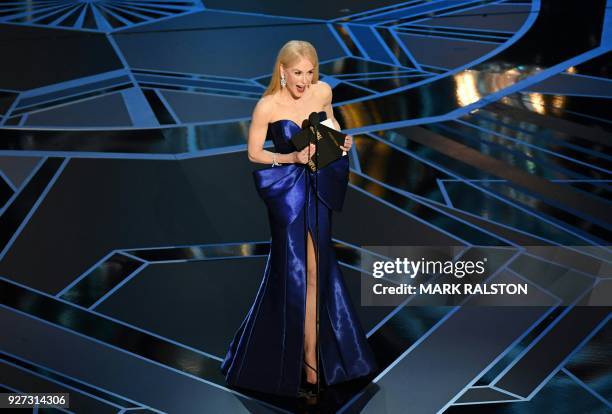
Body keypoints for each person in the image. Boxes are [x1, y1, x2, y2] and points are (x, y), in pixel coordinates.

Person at [220, 40, 378, 398]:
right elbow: (255, 152)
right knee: (294, 270)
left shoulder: (323, 90)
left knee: (317, 269)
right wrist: (290, 158)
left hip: (320, 182)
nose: (304, 81)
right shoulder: (267, 106)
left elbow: (332, 122)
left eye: (309, 72)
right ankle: (303, 359)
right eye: (297, 73)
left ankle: (313, 354)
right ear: (282, 71)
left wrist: (341, 142)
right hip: (289, 193)